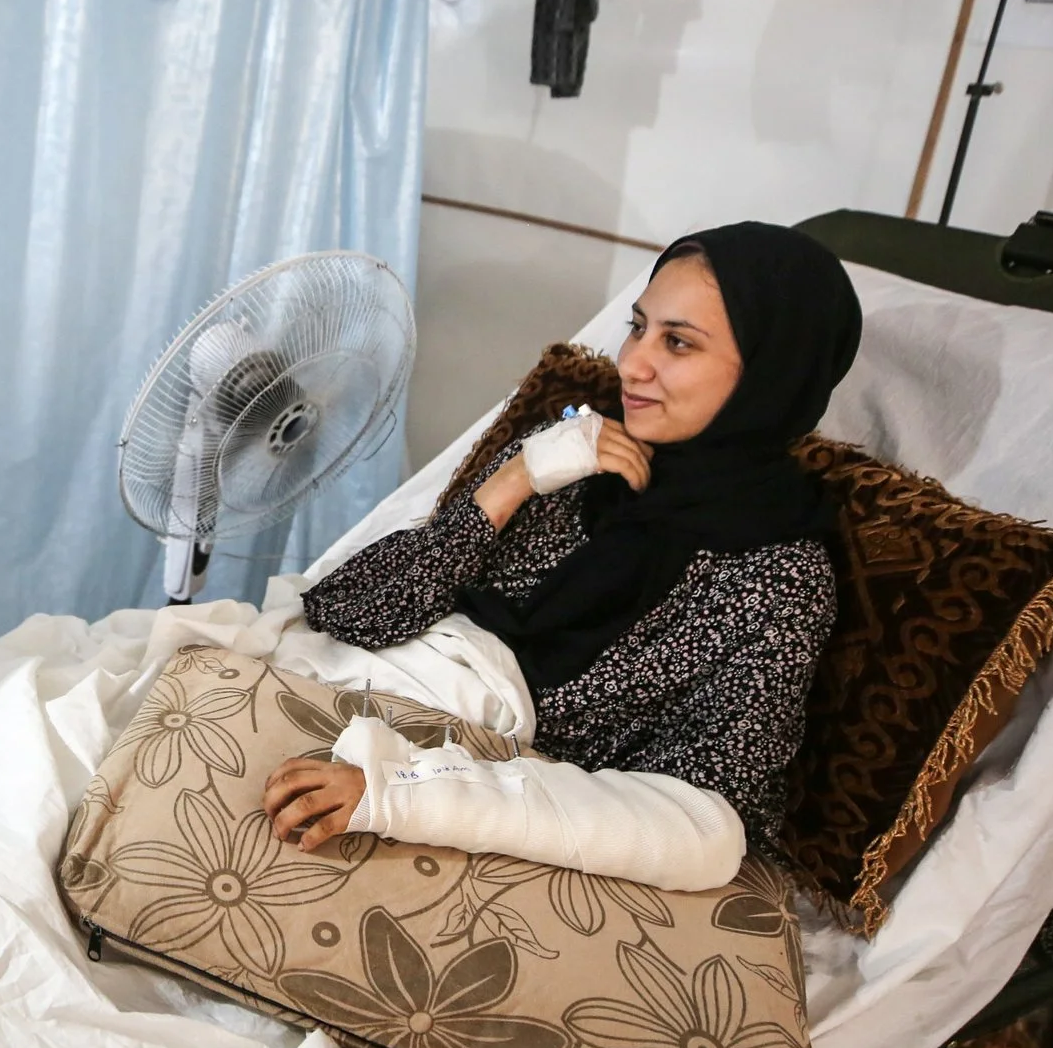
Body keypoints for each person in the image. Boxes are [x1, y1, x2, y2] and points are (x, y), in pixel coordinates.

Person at [262, 222, 862, 886]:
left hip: (437, 766)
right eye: (638, 327)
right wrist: (514, 480)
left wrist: (404, 790)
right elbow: (349, 609)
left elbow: (704, 820)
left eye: (679, 342)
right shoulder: (579, 450)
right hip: (333, 672)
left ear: (774, 369)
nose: (632, 363)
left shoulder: (778, 577)